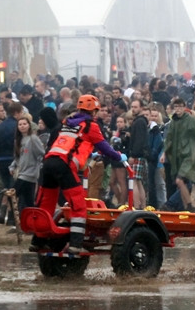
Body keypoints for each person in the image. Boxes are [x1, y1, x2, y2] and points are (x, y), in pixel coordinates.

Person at [36, 94, 123, 254]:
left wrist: (90, 155)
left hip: (48, 163)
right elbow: (104, 146)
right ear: (94, 112)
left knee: (46, 204)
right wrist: (118, 156)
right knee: (78, 206)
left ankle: (38, 241)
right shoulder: (90, 126)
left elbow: (77, 143)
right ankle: (76, 243)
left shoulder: (66, 122)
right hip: (64, 165)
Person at [163, 98, 195, 212]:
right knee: (182, 184)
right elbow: (169, 139)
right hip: (177, 157)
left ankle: (190, 206)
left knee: (180, 181)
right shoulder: (174, 122)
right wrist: (164, 153)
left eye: (180, 106)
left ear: (184, 107)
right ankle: (186, 208)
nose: (178, 109)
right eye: (176, 107)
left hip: (189, 156)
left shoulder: (190, 120)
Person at [9, 113, 44, 212]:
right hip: (21, 172)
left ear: (29, 125)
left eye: (24, 124)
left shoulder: (33, 139)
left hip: (28, 174)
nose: (22, 126)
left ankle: (15, 219)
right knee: (29, 201)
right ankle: (31, 220)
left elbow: (41, 153)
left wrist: (38, 166)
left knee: (12, 195)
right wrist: (12, 167)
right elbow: (17, 157)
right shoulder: (18, 140)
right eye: (20, 124)